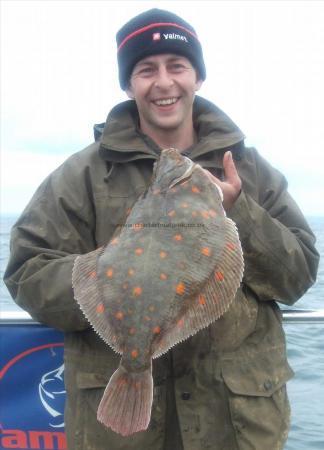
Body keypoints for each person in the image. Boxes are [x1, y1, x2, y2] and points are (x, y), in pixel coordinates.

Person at [4, 8, 319, 450]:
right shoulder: (81, 176)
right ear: (128, 84)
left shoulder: (249, 169)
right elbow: (26, 271)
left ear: (198, 77)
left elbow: (298, 275)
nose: (164, 82)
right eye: (146, 70)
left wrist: (238, 210)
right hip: (120, 436)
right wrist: (105, 282)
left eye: (178, 66)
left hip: (234, 423)